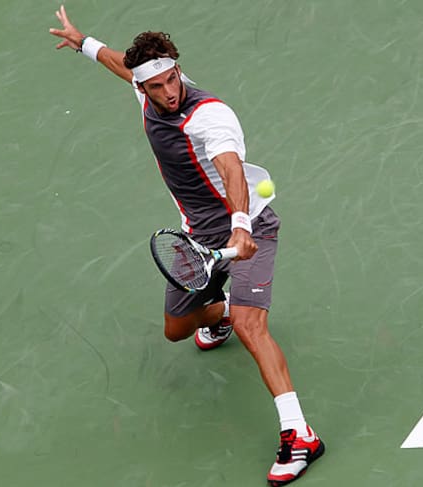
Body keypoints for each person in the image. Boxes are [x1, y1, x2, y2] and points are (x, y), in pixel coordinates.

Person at [49, 6, 324, 486]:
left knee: (251, 325)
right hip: (195, 237)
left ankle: (299, 435)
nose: (169, 91)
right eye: (157, 86)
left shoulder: (209, 117)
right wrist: (83, 43)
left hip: (249, 229)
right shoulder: (143, 87)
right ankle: (222, 311)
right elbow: (120, 64)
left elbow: (231, 168)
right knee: (176, 330)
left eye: (173, 79)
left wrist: (241, 226)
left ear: (179, 69)